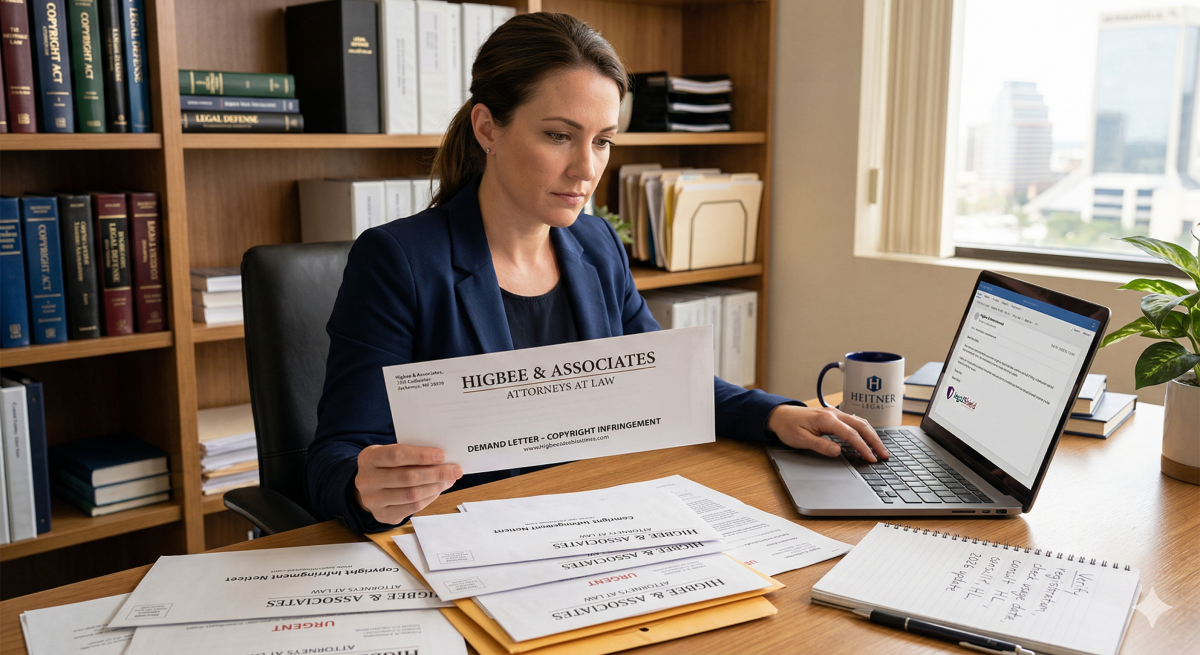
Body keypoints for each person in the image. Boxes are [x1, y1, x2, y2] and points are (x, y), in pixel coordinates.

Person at [307, 12, 888, 533]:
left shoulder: (595, 241)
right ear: (488, 128)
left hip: (596, 522)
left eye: (603, 141)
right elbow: (337, 455)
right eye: (558, 136)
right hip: (471, 537)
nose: (586, 169)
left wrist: (776, 414)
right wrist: (365, 487)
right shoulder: (398, 259)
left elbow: (661, 382)